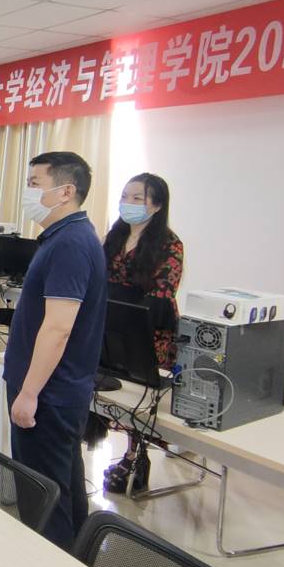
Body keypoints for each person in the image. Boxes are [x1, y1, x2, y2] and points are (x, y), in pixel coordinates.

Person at [4, 151, 107, 549]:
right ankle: (77, 560)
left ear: (65, 191)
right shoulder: (65, 236)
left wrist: (29, 393)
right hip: (56, 388)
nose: (28, 192)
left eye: (35, 183)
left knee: (43, 494)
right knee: (63, 487)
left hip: (49, 392)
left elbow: (59, 327)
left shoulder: (71, 244)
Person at [101, 173, 184, 493]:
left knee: (140, 394)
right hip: (111, 322)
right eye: (125, 196)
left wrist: (130, 319)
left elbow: (163, 293)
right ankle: (129, 453)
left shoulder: (169, 244)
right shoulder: (116, 234)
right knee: (116, 391)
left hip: (148, 328)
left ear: (157, 205)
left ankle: (136, 456)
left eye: (138, 198)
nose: (128, 203)